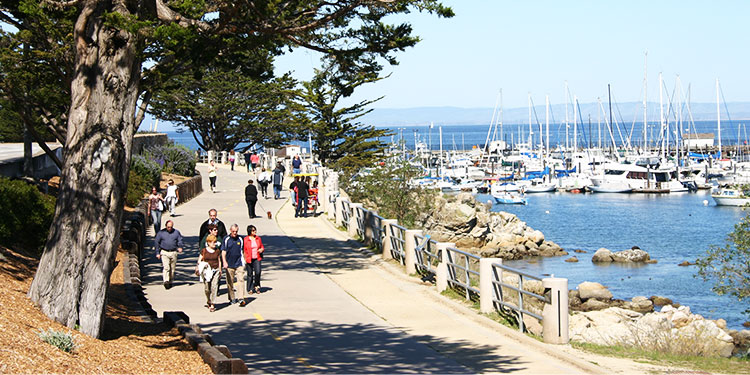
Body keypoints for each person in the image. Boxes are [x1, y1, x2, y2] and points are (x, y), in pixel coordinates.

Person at [154, 220, 184, 289]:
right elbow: (156, 242)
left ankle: (170, 280)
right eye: (168, 227)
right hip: (164, 252)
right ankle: (166, 281)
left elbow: (180, 240)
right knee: (166, 267)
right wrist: (157, 253)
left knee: (172, 269)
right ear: (166, 226)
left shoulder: (176, 232)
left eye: (171, 227)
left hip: (173, 252)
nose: (169, 228)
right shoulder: (161, 233)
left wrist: (180, 247)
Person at [197, 234, 222, 312]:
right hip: (207, 271)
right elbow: (199, 260)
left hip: (215, 269)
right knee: (207, 288)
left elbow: (219, 260)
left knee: (214, 286)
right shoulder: (204, 251)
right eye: (212, 242)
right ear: (208, 242)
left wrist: (220, 269)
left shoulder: (217, 251)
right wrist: (198, 267)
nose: (214, 244)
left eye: (215, 242)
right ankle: (208, 300)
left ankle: (212, 304)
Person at [221, 224, 245, 305]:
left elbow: (243, 251)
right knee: (230, 282)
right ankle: (232, 297)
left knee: (241, 280)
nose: (235, 233)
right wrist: (224, 261)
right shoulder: (226, 239)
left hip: (239, 263)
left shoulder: (240, 239)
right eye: (233, 231)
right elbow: (223, 251)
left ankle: (241, 298)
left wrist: (244, 261)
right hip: (229, 263)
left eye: (236, 231)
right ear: (230, 230)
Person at [243, 225, 264, 295]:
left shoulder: (258, 238)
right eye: (253, 230)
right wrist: (244, 258)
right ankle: (250, 288)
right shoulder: (246, 239)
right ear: (250, 231)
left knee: (258, 272)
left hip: (257, 258)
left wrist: (261, 249)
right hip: (249, 258)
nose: (255, 232)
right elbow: (244, 250)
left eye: (255, 230)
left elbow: (261, 246)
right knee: (250, 274)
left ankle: (257, 285)